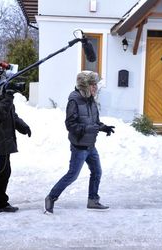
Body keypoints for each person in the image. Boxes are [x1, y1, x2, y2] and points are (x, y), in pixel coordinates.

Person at [44, 71, 115, 214]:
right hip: (79, 146)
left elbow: (94, 122)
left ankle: (93, 200)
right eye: (93, 85)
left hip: (90, 145)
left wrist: (103, 127)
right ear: (85, 86)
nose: (96, 88)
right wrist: (90, 128)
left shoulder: (91, 100)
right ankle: (51, 197)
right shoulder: (74, 100)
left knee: (97, 172)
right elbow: (70, 125)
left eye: (96, 85)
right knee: (72, 175)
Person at [0, 90, 31, 212]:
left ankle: (1, 203)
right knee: (1, 172)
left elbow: (12, 116)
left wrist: (23, 127)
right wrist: (8, 98)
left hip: (3, 142)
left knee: (4, 172)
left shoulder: (5, 100)